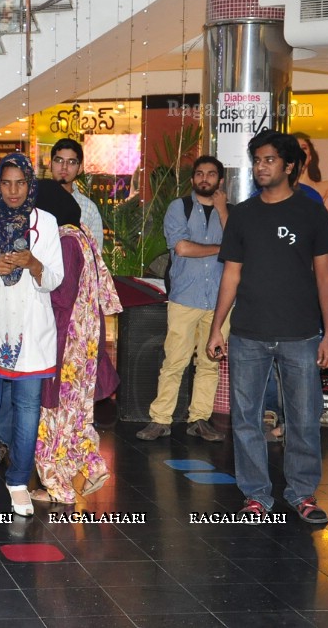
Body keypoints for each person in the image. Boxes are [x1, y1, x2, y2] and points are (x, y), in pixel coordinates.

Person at [207, 130, 328, 524]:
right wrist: (217, 329)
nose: (261, 167)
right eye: (257, 161)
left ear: (290, 165)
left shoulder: (312, 212)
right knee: (246, 419)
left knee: (302, 419)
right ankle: (256, 496)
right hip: (248, 334)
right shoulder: (243, 214)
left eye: (268, 160)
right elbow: (230, 276)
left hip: (300, 335)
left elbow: (325, 278)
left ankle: (302, 494)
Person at [0, 154, 64, 516]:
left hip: (29, 334)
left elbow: (55, 279)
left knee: (26, 412)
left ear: (30, 184)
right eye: (6, 183)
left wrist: (33, 264)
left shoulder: (46, 224)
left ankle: (18, 481)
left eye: (20, 182)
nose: (13, 190)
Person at [31, 181, 120, 503]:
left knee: (52, 414)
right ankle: (92, 466)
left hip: (64, 342)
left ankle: (58, 486)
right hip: (81, 342)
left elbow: (62, 296)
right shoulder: (80, 235)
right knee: (75, 414)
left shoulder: (66, 242)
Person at [136, 156, 228, 443]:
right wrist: (221, 248)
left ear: (220, 180)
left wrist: (224, 212)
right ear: (192, 179)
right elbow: (183, 248)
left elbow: (239, 246)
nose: (205, 179)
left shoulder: (231, 213)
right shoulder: (180, 207)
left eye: (211, 174)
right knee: (175, 361)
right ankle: (160, 419)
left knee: (210, 363)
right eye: (199, 174)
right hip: (185, 297)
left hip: (220, 301)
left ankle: (199, 419)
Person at [48, 138, 104, 246]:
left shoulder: (88, 209)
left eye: (72, 162)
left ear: (80, 168)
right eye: (59, 160)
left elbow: (95, 253)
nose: (64, 167)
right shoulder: (36, 201)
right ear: (50, 164)